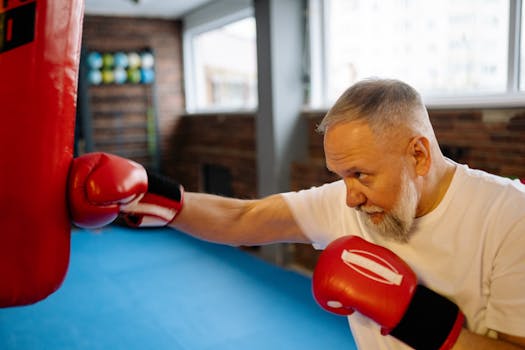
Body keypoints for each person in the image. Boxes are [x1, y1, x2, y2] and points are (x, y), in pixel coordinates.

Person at [68, 78, 525, 349]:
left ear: (419, 156)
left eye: (362, 175)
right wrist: (154, 196)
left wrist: (415, 317)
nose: (349, 198)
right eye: (340, 176)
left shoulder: (508, 216)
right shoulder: (348, 201)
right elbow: (241, 220)